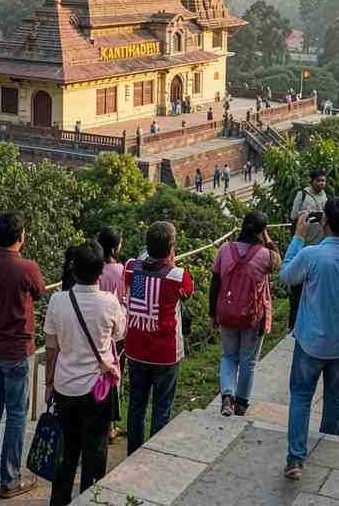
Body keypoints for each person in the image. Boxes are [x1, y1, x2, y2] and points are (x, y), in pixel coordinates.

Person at [279, 198, 339, 479]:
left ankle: (295, 459)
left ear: (325, 222)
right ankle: (329, 447)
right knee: (335, 396)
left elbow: (286, 275)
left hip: (311, 341)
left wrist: (297, 237)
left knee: (302, 396)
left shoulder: (311, 255)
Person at [44, 243, 127, 506]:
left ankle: (59, 501)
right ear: (101, 271)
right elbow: (119, 334)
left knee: (66, 453)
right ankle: (90, 498)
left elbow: (50, 348)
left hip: (65, 387)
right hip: (97, 391)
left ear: (74, 269)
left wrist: (49, 383)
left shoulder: (58, 301)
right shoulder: (110, 303)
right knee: (95, 451)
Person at [0, 212, 46, 497]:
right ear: (21, 237)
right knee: (16, 413)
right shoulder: (27, 268)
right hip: (16, 349)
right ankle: (10, 479)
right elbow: (39, 292)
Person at [122, 222, 195, 453]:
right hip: (165, 354)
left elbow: (140, 260)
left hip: (135, 349)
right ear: (172, 248)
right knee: (162, 408)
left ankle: (133, 451)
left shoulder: (131, 269)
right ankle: (152, 455)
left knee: (136, 405)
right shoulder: (177, 277)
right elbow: (188, 293)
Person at [210, 212, 281, 417]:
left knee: (229, 356)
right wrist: (268, 240)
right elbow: (279, 262)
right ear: (262, 231)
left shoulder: (225, 250)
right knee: (248, 361)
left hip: (226, 312)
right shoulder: (265, 255)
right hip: (252, 316)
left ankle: (226, 397)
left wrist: (212, 313)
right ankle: (241, 405)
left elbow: (215, 283)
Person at [287, 170, 330, 331]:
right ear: (312, 181)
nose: (321, 184)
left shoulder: (325, 195)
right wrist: (308, 215)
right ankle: (293, 324)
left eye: (323, 181)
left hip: (319, 243)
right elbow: (293, 216)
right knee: (298, 286)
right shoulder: (302, 195)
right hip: (304, 245)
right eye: (319, 181)